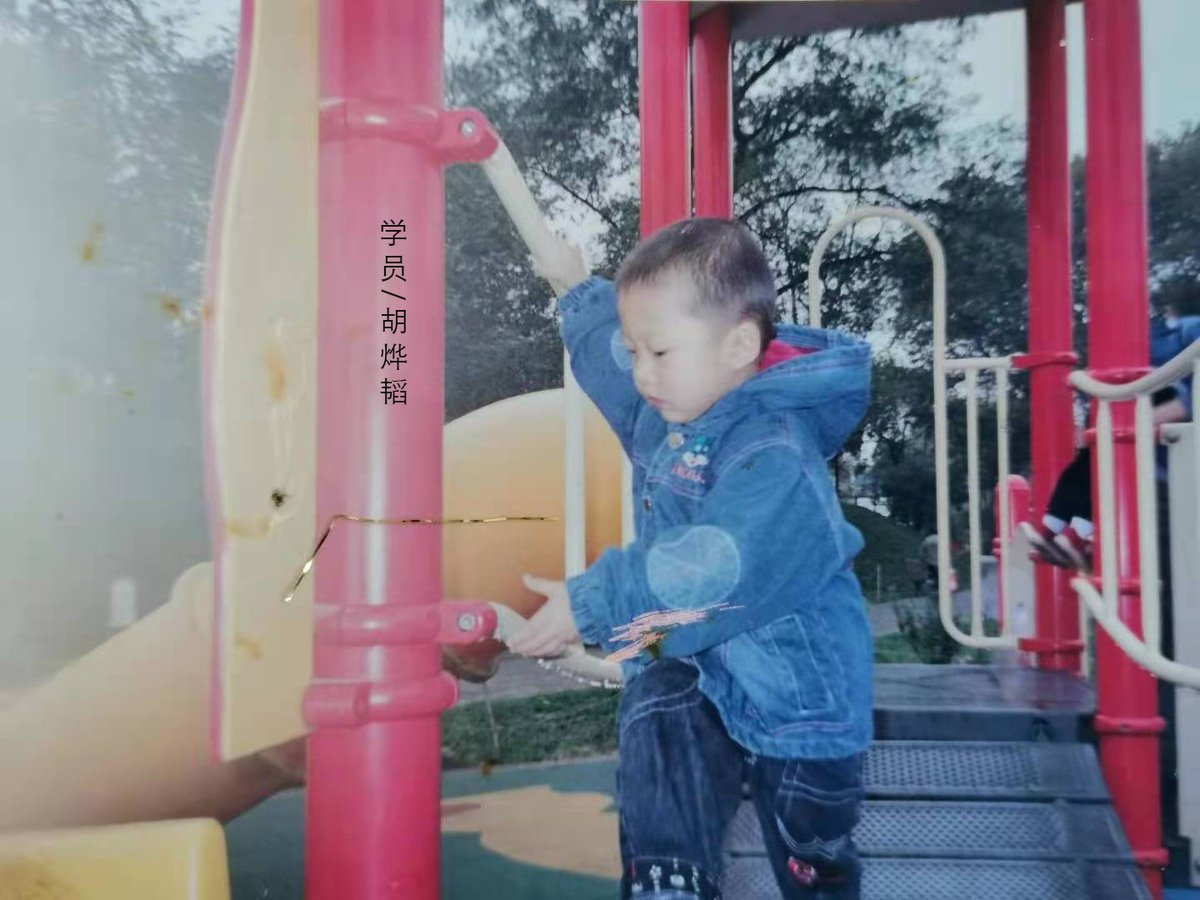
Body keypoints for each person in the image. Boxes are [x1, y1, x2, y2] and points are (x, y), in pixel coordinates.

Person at [507, 218, 874, 900]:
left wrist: (591, 602)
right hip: (707, 677)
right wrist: (574, 288)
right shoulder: (674, 408)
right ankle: (667, 878)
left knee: (808, 856)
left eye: (659, 352)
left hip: (799, 717)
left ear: (739, 346)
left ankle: (818, 873)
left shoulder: (776, 455)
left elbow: (713, 565)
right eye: (636, 350)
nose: (643, 372)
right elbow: (612, 370)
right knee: (657, 698)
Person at [1021, 302, 1200, 571]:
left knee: (1163, 560)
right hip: (1140, 462)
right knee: (1090, 468)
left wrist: (1147, 418)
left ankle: (1070, 538)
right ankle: (1064, 535)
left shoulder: (1186, 332)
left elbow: (1180, 403)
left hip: (1174, 464)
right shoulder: (1125, 353)